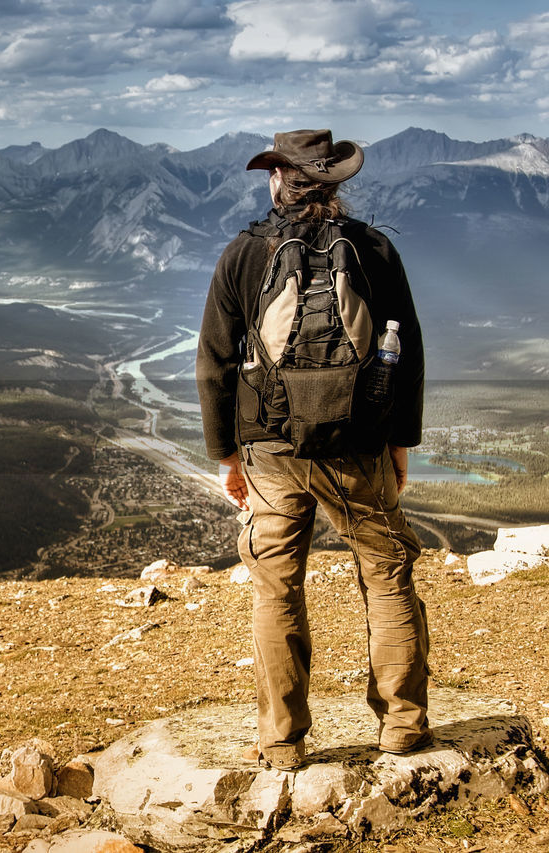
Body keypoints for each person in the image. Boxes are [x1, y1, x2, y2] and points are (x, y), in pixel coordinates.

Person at [195, 129, 431, 770]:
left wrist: (227, 456)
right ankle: (403, 727)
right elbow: (404, 353)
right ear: (336, 183)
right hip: (358, 446)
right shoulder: (374, 248)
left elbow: (215, 363)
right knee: (387, 580)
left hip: (270, 450)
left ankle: (282, 741)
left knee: (276, 591)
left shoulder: (243, 253)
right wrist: (399, 441)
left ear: (278, 179)